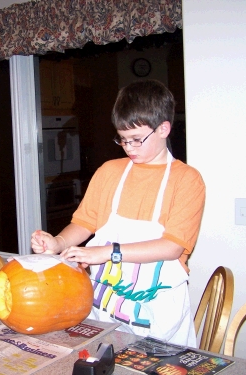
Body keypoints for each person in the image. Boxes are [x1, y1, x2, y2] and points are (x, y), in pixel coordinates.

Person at [31, 80, 205, 347]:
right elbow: (84, 222)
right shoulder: (109, 172)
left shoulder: (186, 180)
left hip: (157, 316)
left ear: (163, 129)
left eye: (136, 139)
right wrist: (59, 242)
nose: (129, 148)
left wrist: (105, 253)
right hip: (104, 309)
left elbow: (171, 247)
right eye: (122, 139)